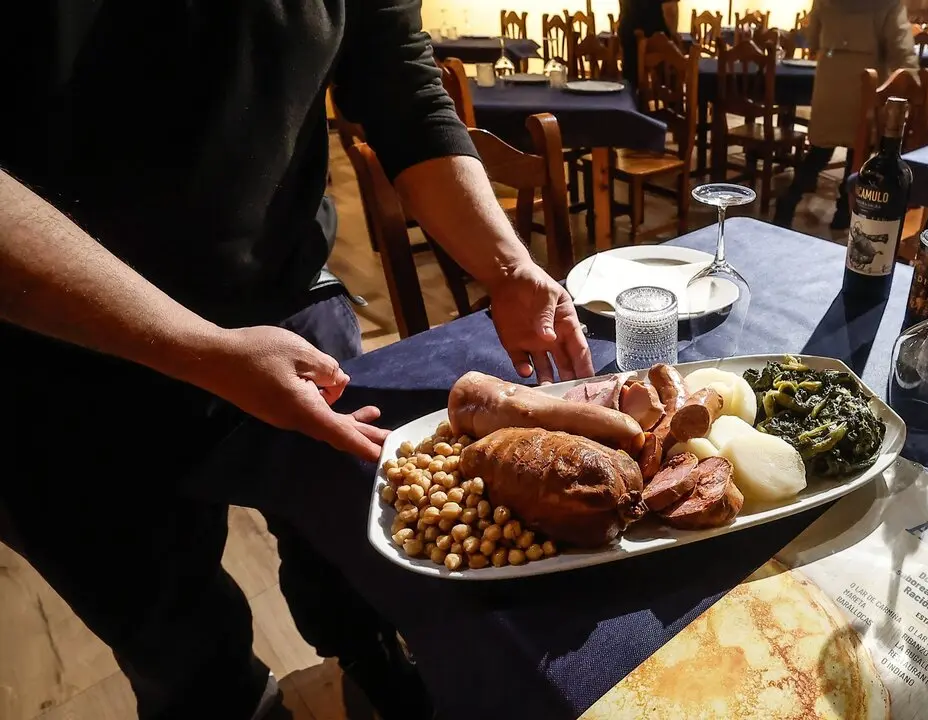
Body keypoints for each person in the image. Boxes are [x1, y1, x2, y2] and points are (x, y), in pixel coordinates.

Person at [1, 3, 593, 719]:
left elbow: (400, 83)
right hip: (53, 343)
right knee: (178, 647)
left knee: (344, 555)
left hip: (286, 297)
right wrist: (202, 350)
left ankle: (365, 658)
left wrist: (507, 268)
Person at [772, 0, 917, 230]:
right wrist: (914, 84)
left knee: (819, 149)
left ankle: (788, 202)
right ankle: (843, 210)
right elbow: (901, 49)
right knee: (858, 153)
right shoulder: (889, 4)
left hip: (830, 81)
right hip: (867, 83)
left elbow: (811, 37)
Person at [618, 0, 681, 88]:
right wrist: (672, 35)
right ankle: (670, 93)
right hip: (653, 33)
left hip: (628, 29)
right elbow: (670, 10)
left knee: (631, 77)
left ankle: (633, 95)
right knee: (674, 65)